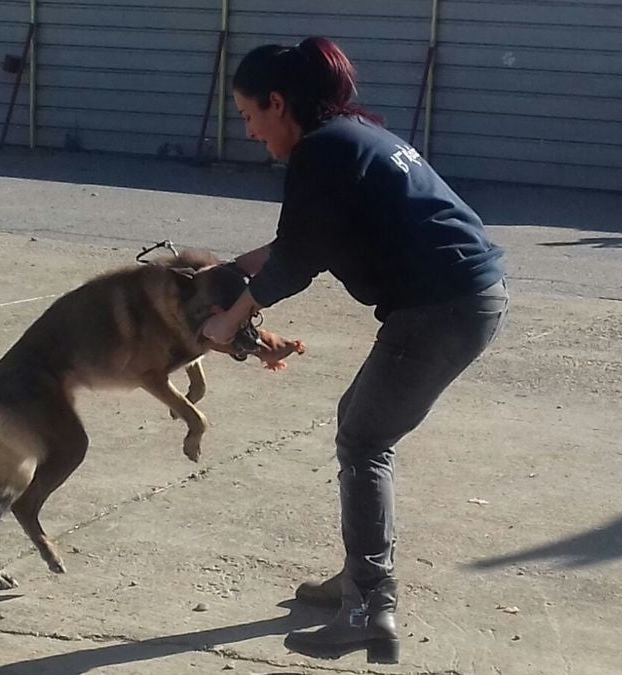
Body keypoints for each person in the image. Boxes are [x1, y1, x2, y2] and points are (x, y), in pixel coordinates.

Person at [201, 37, 507, 664]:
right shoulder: (351, 139)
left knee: (365, 442)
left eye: (248, 116)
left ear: (277, 103)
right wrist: (226, 271)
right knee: (359, 425)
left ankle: (369, 605)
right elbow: (301, 243)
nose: (251, 132)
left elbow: (292, 265)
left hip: (440, 309)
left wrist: (229, 320)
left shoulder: (321, 153)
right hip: (462, 298)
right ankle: (359, 579)